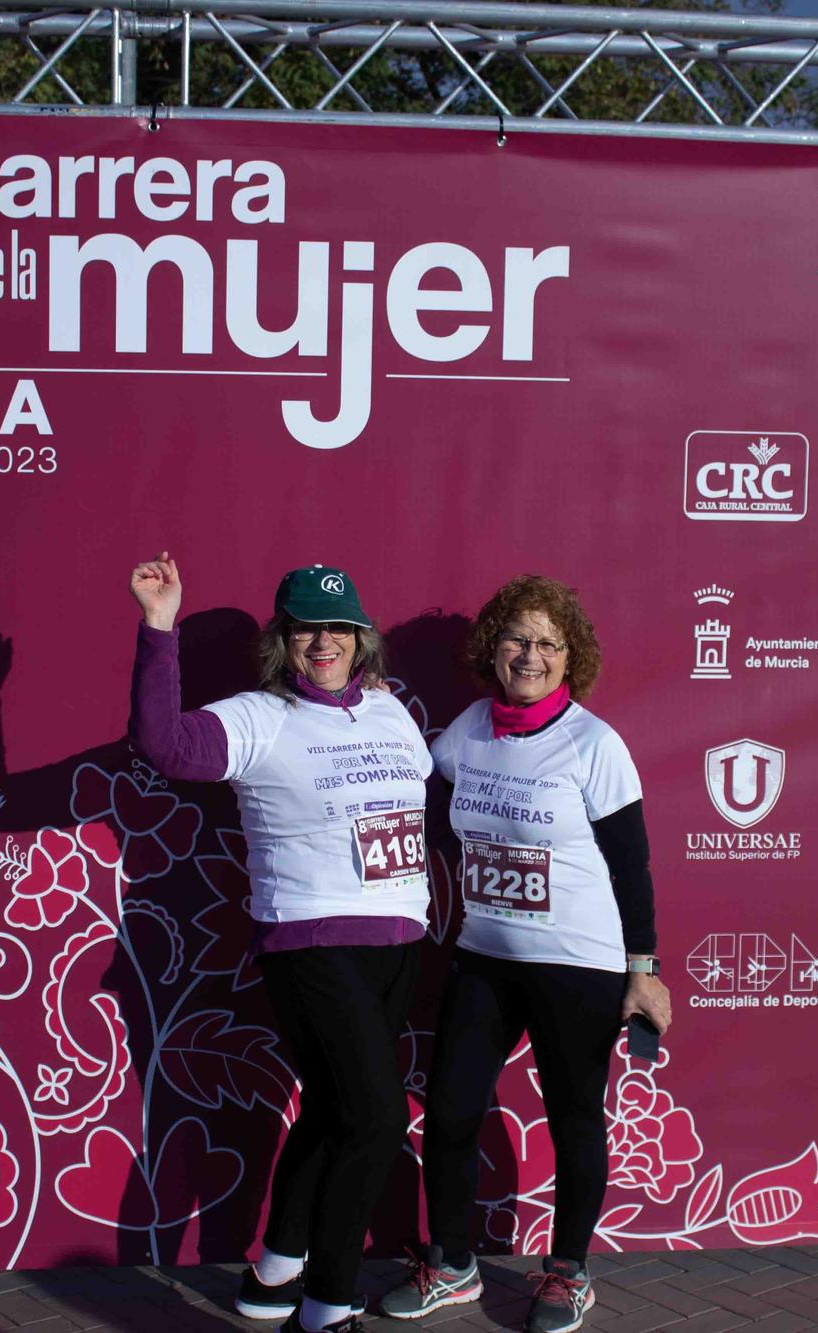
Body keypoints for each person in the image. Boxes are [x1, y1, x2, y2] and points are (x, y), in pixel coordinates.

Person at [129, 553, 432, 1333]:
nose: (323, 642)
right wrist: (159, 627)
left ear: (362, 638)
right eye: (305, 629)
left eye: (339, 627)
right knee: (373, 1120)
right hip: (311, 940)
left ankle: (271, 1276)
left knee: (335, 1110)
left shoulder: (390, 710)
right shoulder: (258, 717)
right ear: (282, 640)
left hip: (398, 940)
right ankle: (328, 1301)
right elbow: (163, 744)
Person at [381, 575, 671, 1333]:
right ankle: (452, 1264)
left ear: (570, 654)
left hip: (579, 963)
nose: (531, 655)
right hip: (485, 954)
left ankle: (567, 1272)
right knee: (449, 1110)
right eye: (516, 639)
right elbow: (410, 769)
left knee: (575, 1114)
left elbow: (630, 865)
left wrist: (644, 970)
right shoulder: (469, 728)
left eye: (548, 642)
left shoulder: (594, 744)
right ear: (491, 648)